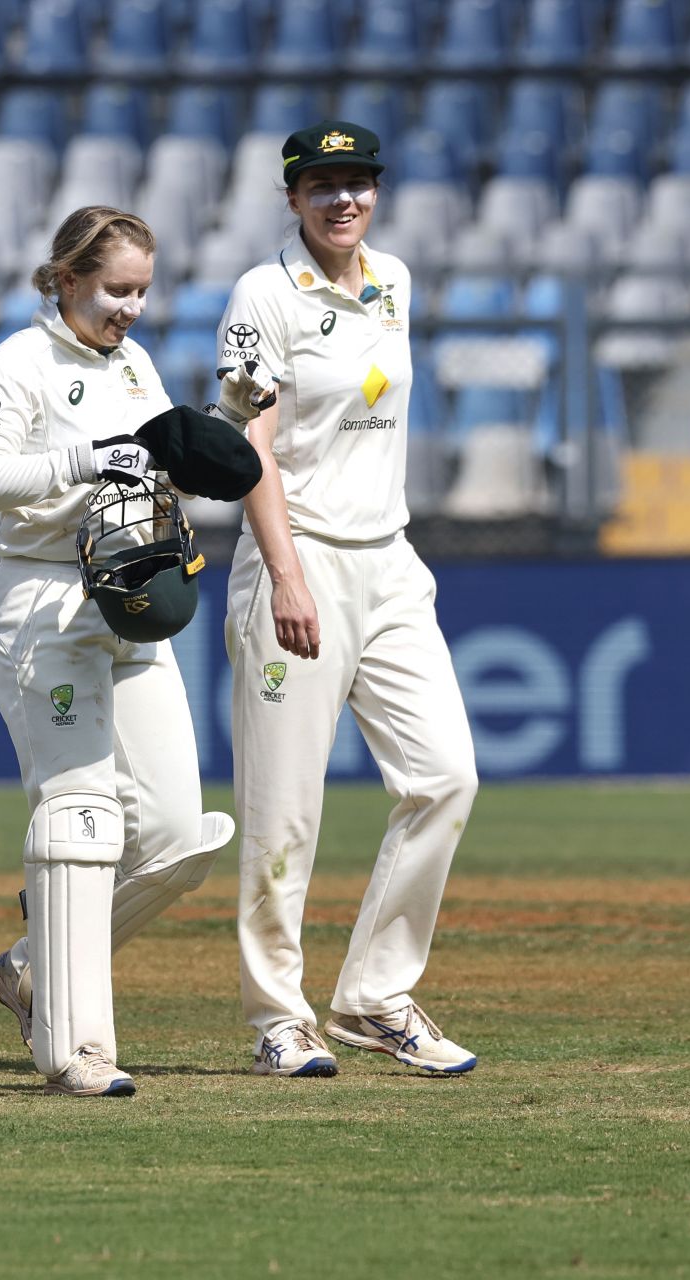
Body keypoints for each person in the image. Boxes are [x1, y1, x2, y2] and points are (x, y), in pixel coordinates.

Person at [0, 207, 258, 1096]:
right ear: (64, 278)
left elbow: (154, 467)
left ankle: (29, 968)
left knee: (178, 838)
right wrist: (91, 456)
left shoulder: (133, 363)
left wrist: (223, 419)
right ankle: (76, 1049)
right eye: (114, 289)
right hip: (42, 602)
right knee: (78, 816)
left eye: (141, 290)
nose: (131, 307)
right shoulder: (19, 362)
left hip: (129, 599)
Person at [212, 122, 479, 1077]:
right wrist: (286, 575)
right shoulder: (262, 294)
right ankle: (276, 1016)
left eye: (358, 183)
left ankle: (374, 995)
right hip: (301, 557)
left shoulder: (395, 282)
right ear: (292, 197)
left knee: (446, 777)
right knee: (285, 812)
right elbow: (251, 447)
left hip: (391, 560)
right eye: (322, 185)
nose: (342, 200)